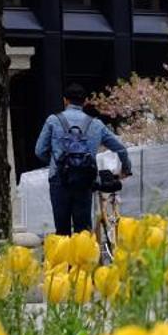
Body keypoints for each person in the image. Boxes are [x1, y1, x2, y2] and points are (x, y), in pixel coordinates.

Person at [33, 83, 131, 237]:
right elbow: (121, 149)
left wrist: (54, 162)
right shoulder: (96, 124)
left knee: (62, 230)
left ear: (65, 101)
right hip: (85, 180)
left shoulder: (53, 120)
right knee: (83, 230)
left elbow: (39, 151)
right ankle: (84, 259)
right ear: (85, 102)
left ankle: (64, 260)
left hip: (59, 180)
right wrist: (125, 169)